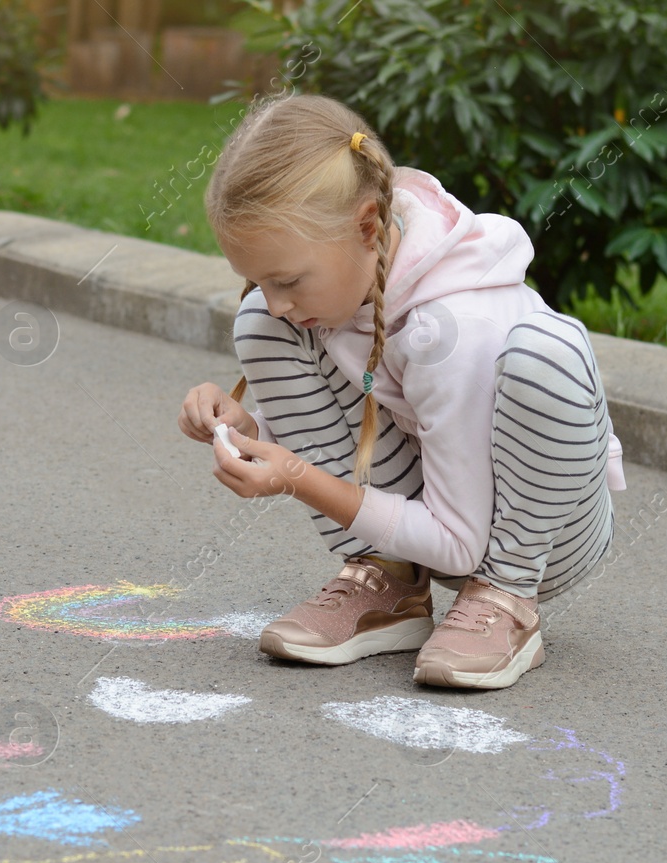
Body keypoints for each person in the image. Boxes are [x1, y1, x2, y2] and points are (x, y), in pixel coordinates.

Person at [177, 93, 627, 691]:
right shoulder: (347, 276)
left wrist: (296, 477)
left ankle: (507, 603)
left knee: (547, 350)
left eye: (287, 279)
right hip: (439, 496)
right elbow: (366, 396)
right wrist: (249, 431)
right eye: (257, 278)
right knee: (260, 321)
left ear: (368, 225)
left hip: (542, 535)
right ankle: (388, 581)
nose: (277, 297)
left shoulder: (450, 329)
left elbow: (459, 546)